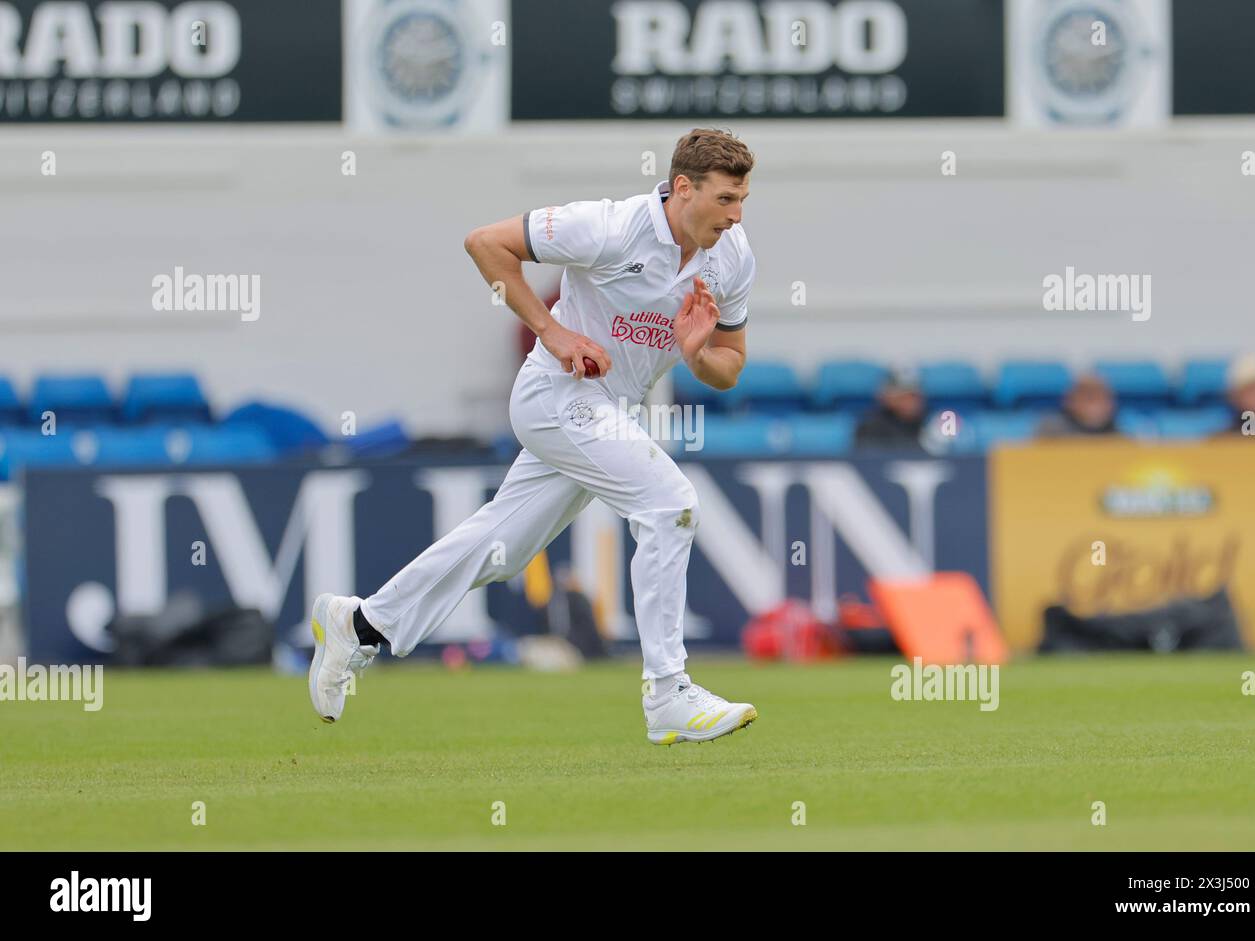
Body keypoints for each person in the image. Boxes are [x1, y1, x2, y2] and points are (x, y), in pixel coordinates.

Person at [309, 129, 760, 745]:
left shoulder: (731, 255)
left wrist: (695, 354)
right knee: (669, 504)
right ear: (683, 188)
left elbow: (729, 365)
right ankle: (668, 692)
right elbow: (485, 243)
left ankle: (359, 623)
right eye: (726, 200)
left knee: (502, 550)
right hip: (556, 395)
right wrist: (553, 332)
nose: (736, 215)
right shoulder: (607, 226)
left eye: (742, 201)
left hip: (609, 410)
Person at [854, 369, 927, 447]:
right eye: (904, 397)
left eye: (915, 396)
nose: (912, 402)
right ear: (888, 397)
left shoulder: (927, 423)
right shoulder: (870, 426)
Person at [1037, 373, 1118, 437]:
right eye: (1088, 398)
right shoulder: (1051, 429)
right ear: (1070, 401)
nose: (1094, 405)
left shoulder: (1118, 437)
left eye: (1100, 398)